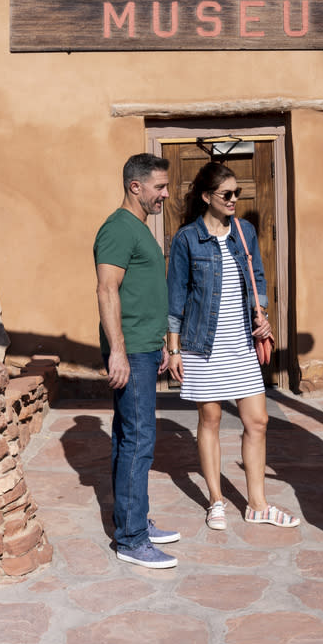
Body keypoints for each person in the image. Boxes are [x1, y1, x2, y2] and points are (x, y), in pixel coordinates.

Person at [166, 162, 300, 531]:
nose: (234, 200)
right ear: (207, 197)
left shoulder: (245, 232)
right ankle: (216, 499)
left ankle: (257, 504)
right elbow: (175, 297)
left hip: (241, 341)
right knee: (209, 420)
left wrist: (263, 315)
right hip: (202, 344)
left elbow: (257, 277)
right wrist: (173, 348)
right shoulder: (187, 239)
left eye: (237, 193)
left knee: (257, 421)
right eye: (227, 194)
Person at [95, 153, 181, 569]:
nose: (166, 194)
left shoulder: (139, 229)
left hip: (144, 347)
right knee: (138, 439)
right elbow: (107, 290)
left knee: (129, 435)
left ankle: (133, 522)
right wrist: (118, 351)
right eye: (159, 187)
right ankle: (131, 539)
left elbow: (141, 292)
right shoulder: (117, 229)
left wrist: (159, 340)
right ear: (136, 187)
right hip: (130, 351)